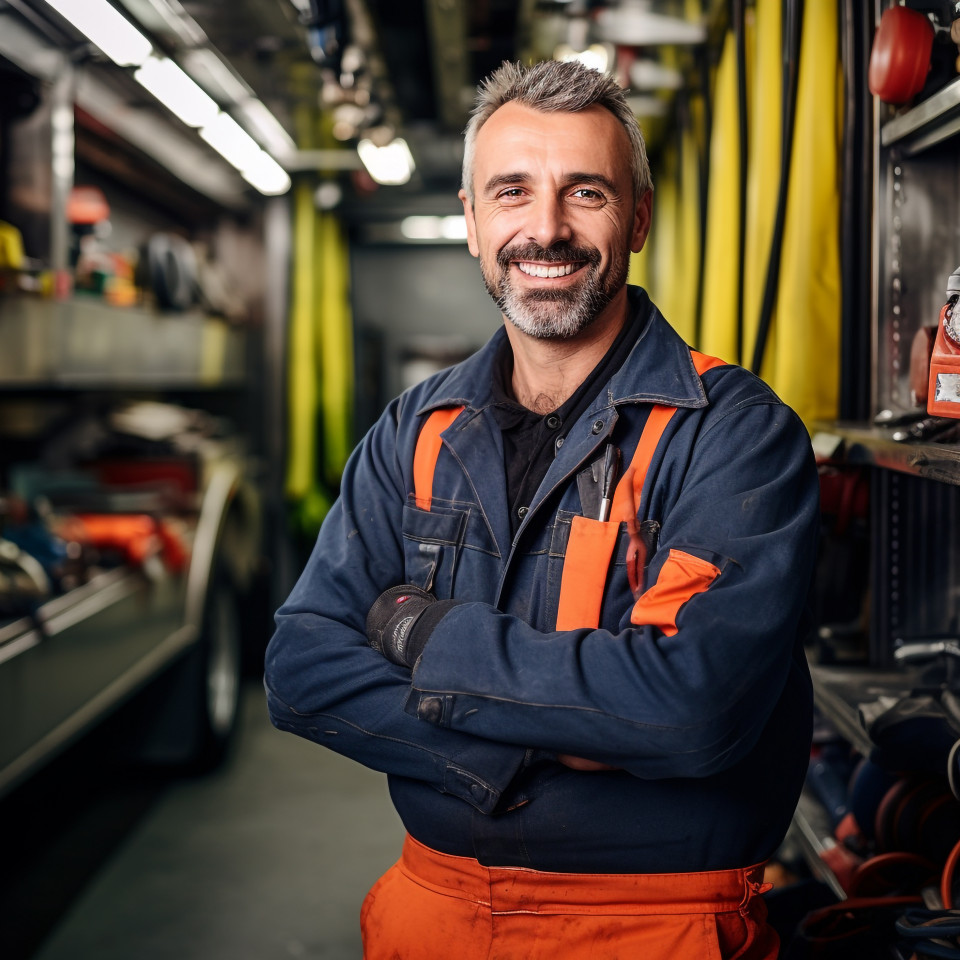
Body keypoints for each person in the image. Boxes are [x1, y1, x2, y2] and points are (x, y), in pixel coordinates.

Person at [265, 58, 820, 960]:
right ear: (474, 223)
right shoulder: (418, 428)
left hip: (655, 927)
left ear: (636, 217)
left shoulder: (736, 435)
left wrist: (421, 637)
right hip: (430, 912)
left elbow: (691, 711)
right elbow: (300, 666)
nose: (546, 228)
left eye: (586, 191)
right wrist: (519, 752)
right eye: (512, 192)